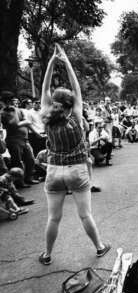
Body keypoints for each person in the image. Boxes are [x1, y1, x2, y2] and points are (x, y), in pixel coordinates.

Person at [38, 44, 110, 265]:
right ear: (70, 104)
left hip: (53, 171)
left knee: (53, 217)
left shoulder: (46, 118)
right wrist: (66, 61)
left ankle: (47, 255)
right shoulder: (76, 117)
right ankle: (99, 247)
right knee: (85, 214)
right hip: (77, 170)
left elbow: (44, 87)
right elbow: (76, 87)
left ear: (53, 103)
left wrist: (51, 62)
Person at [0, 92, 40, 188]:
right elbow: (11, 123)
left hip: (24, 139)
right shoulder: (3, 113)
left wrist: (36, 133)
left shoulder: (18, 110)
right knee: (17, 162)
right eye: (10, 101)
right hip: (13, 140)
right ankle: (19, 182)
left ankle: (29, 178)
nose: (13, 103)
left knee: (30, 159)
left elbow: (27, 121)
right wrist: (20, 121)